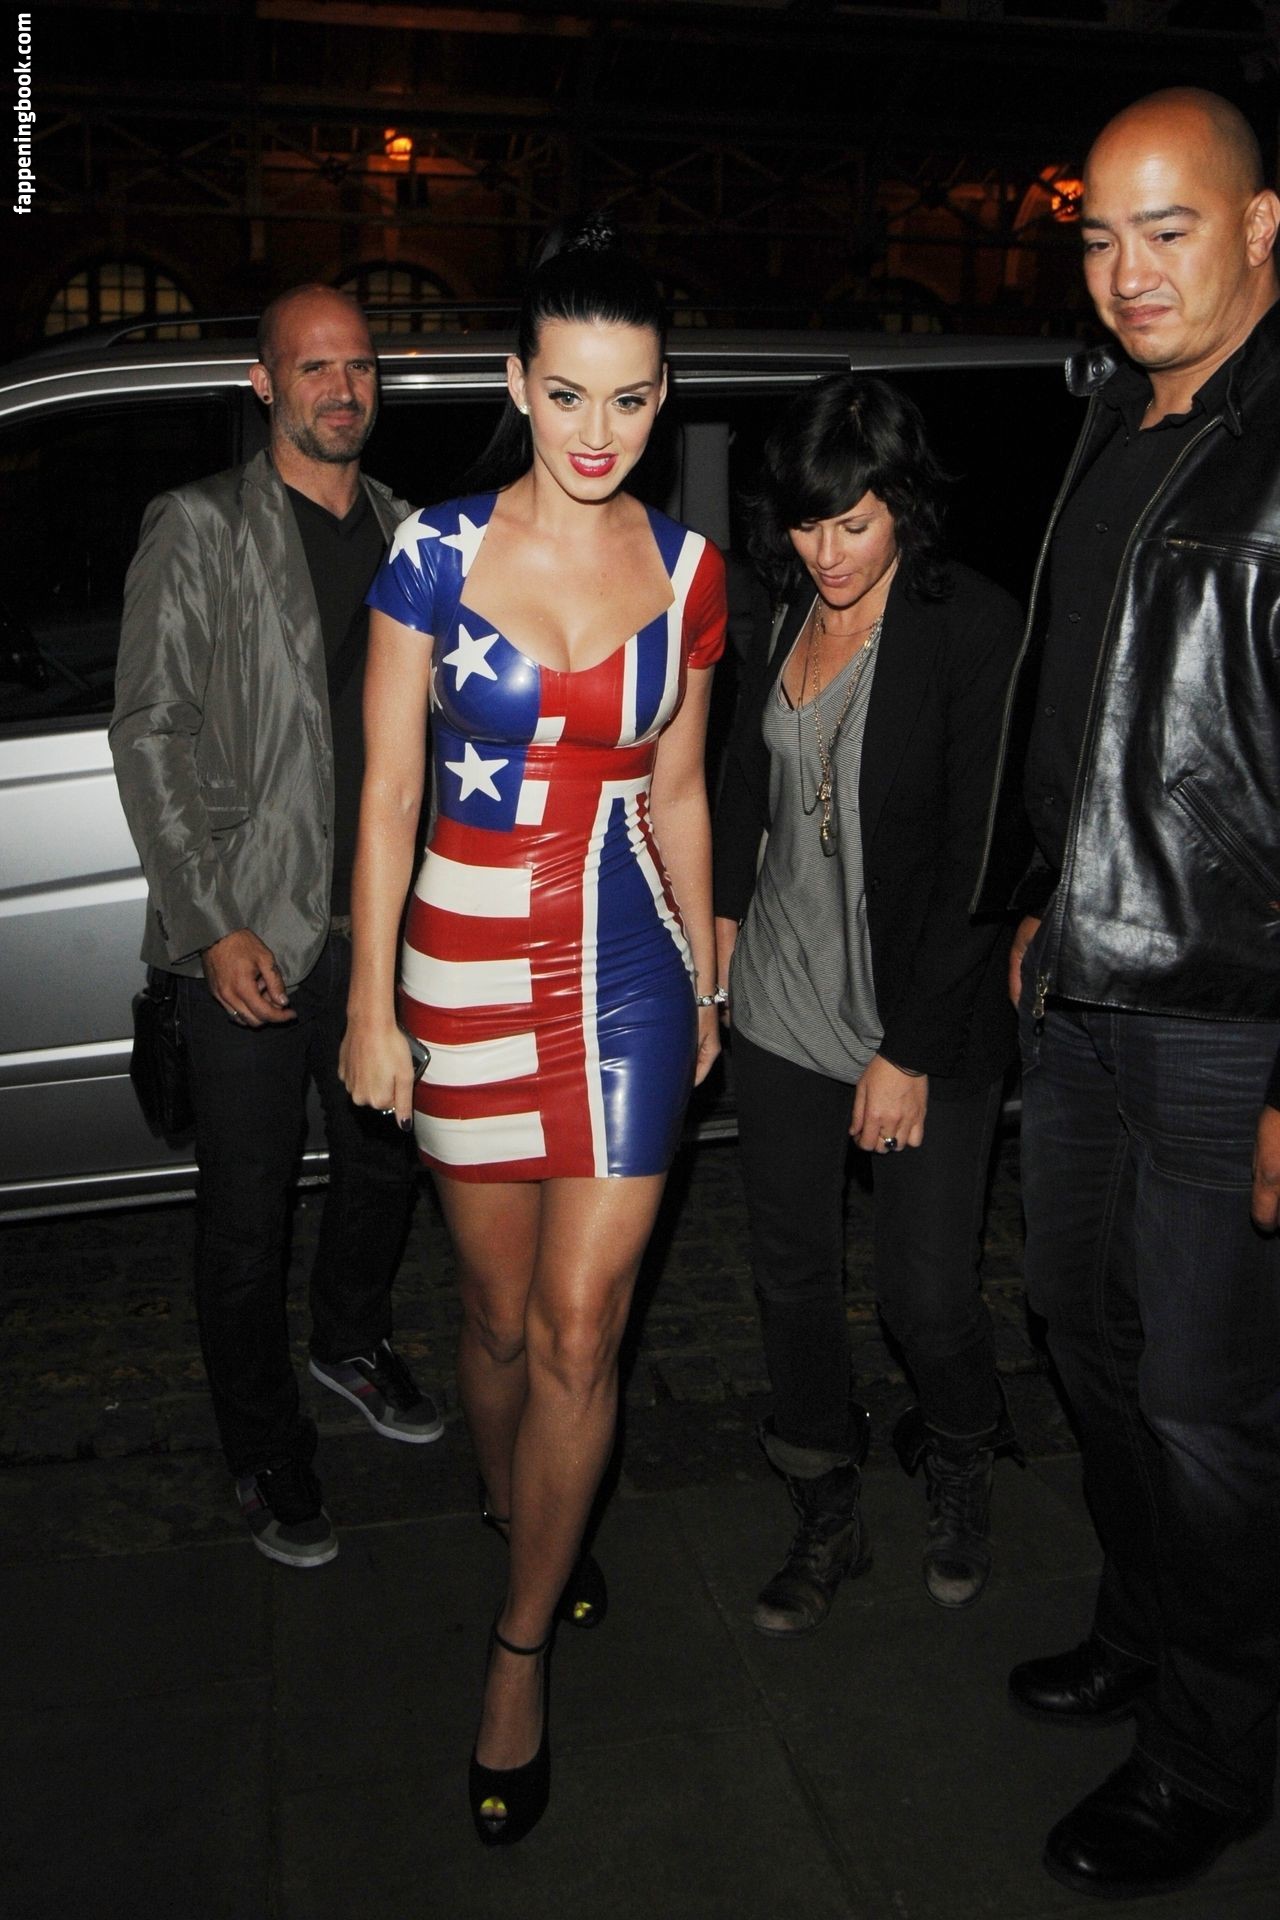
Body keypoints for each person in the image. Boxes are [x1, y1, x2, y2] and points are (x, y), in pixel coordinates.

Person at [339, 223, 726, 1846]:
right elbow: (385, 794)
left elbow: (682, 792)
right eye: (567, 393)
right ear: (516, 382)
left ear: (662, 395)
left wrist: (708, 979)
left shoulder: (693, 575)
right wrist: (369, 1005)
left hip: (628, 971)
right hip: (464, 972)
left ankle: (518, 1651)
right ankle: (520, 1512)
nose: (596, 430)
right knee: (496, 1326)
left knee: (581, 1332)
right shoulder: (431, 551)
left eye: (630, 398)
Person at [977, 89, 1280, 1900]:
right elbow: (1092, 704)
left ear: (1262, 227)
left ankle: (1216, 1754)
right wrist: (1040, 899)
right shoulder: (1118, 418)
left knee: (1204, 1404)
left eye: (1169, 230)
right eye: (1098, 236)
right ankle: (1149, 1628)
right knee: (1078, 1331)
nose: (1127, 270)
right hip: (1085, 978)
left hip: (1229, 1011)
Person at [110, 284, 442, 1572]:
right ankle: (260, 1445)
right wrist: (210, 925)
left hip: (381, 930)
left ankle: (349, 1342)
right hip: (247, 937)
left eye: (358, 366)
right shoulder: (198, 526)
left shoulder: (413, 534)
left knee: (382, 1172)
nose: (342, 389)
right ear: (263, 384)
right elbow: (151, 732)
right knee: (246, 1218)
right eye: (314, 368)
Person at [713, 374, 1023, 1638]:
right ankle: (823, 1503)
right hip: (782, 1002)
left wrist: (907, 1051)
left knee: (923, 1298)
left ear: (902, 502)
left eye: (853, 523)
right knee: (791, 1279)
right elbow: (743, 777)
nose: (827, 552)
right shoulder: (783, 606)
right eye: (805, 524)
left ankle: (959, 1450)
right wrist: (721, 927)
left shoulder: (970, 628)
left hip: (920, 1016)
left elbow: (979, 866)